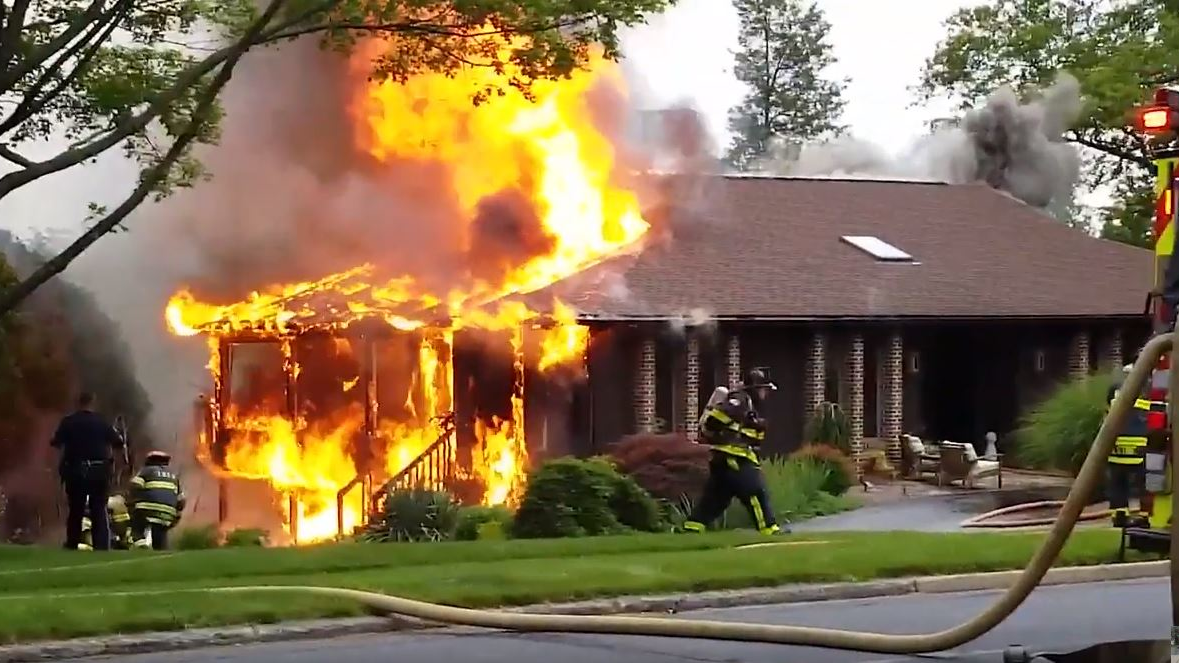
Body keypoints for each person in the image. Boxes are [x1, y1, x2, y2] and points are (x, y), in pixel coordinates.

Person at [682, 367, 788, 535]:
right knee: (754, 490)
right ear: (755, 389)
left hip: (726, 458)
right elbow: (715, 420)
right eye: (764, 389)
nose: (765, 393)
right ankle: (769, 529)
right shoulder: (740, 401)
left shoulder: (750, 404)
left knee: (716, 498)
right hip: (734, 456)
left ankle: (692, 528)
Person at [51, 392, 126, 551]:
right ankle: (101, 545)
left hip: (75, 470)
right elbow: (118, 442)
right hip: (99, 471)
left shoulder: (69, 421)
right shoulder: (102, 422)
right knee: (98, 508)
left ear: (78, 403)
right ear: (93, 403)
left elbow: (56, 442)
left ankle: (72, 543)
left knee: (76, 509)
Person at [1106, 363, 1160, 528]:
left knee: (1118, 484)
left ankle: (1119, 516)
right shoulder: (1149, 389)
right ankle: (1144, 517)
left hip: (1117, 448)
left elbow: (1108, 410)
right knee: (1146, 484)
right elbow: (1157, 414)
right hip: (1141, 447)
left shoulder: (1115, 389)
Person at [129, 450, 186, 550]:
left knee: (137, 525)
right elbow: (181, 500)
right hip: (168, 513)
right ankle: (160, 549)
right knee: (160, 532)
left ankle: (140, 543)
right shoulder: (173, 476)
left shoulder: (146, 471)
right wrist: (176, 514)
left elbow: (134, 486)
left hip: (146, 509)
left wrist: (132, 501)